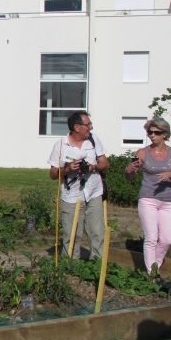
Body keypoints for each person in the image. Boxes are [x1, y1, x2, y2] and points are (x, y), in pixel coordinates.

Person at [48, 111, 110, 260]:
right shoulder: (61, 144)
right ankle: (70, 265)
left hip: (94, 191)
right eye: (88, 124)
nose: (91, 127)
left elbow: (105, 163)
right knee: (72, 232)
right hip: (72, 194)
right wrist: (68, 169)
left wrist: (92, 167)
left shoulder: (93, 140)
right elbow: (52, 174)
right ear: (77, 127)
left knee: (97, 231)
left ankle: (97, 264)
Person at [125, 118, 171, 274]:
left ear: (165, 134)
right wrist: (130, 169)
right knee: (151, 238)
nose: (152, 135)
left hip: (168, 200)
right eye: (150, 132)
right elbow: (130, 177)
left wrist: (170, 175)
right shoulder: (142, 152)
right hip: (148, 198)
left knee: (167, 240)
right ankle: (152, 274)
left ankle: (155, 266)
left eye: (156, 132)